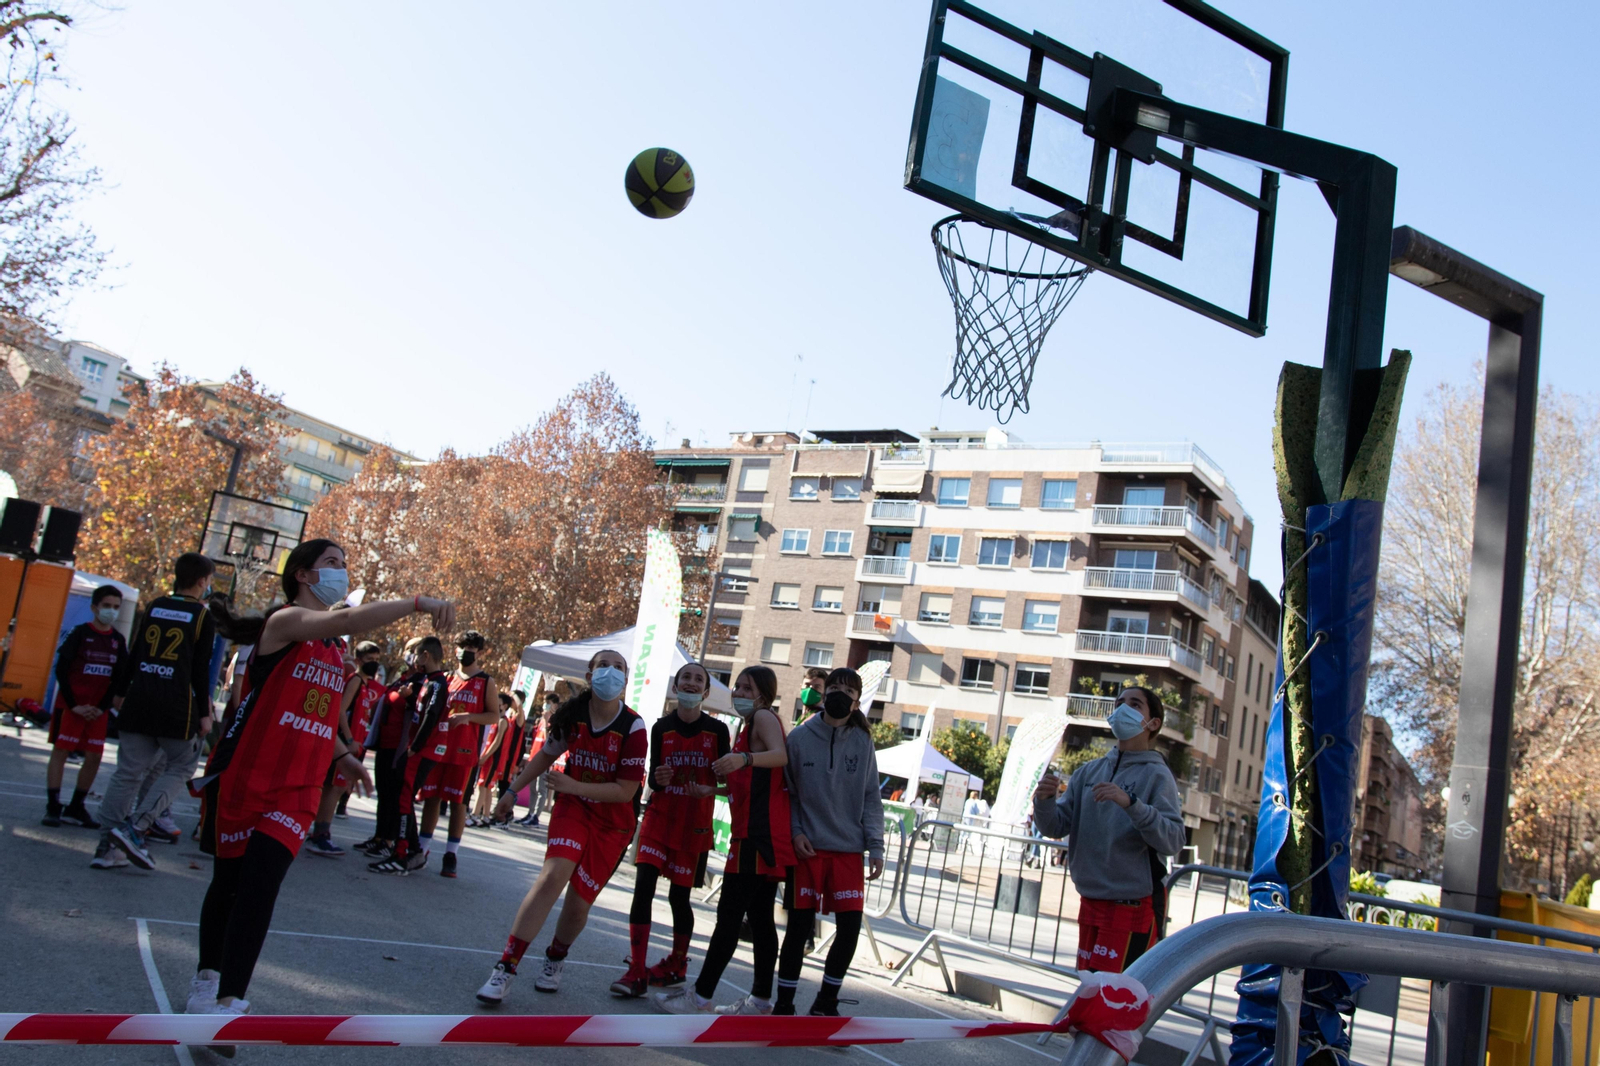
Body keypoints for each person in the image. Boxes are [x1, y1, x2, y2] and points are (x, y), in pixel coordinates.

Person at [186, 538, 453, 1019]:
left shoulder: (335, 652)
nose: (342, 572)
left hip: (298, 789)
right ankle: (207, 978)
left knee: (261, 886)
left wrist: (343, 757)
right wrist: (419, 603)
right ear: (304, 576)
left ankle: (228, 1002)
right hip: (249, 775)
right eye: (332, 564)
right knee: (229, 884)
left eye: (345, 565)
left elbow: (323, 716)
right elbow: (348, 617)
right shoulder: (285, 623)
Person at [475, 649, 645, 1004]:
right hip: (574, 809)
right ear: (589, 673)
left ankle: (555, 956)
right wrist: (511, 790)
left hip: (613, 822)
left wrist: (572, 786)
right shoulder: (573, 716)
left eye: (618, 667)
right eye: (603, 665)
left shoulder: (634, 726)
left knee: (578, 905)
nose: (610, 672)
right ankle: (506, 966)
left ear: (626, 680)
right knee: (553, 876)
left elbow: (626, 791)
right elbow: (545, 756)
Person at [656, 665, 791, 1016]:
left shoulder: (763, 718)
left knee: (729, 914)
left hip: (757, 834)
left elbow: (780, 756)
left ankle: (700, 996)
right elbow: (750, 781)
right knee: (760, 917)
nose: (739, 694)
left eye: (747, 688)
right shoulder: (746, 727)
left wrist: (742, 758)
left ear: (763, 693)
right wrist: (712, 789)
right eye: (737, 687)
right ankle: (761, 999)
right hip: (750, 831)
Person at [1032, 685, 1185, 974]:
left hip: (1132, 907)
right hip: (1090, 902)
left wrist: (1132, 804)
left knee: (1111, 1002)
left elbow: (1173, 839)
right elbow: (1055, 826)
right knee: (1089, 992)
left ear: (1153, 724)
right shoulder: (1087, 772)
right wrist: (1044, 801)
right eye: (1119, 702)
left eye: (1135, 704)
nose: (1122, 709)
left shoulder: (1157, 775)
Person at [611, 663, 730, 998]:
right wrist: (658, 779)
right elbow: (653, 779)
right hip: (660, 818)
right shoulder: (661, 727)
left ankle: (678, 963)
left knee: (680, 897)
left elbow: (729, 783)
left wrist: (712, 790)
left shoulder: (718, 732)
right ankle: (636, 968)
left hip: (694, 824)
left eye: (698, 680)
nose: (691, 683)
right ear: (676, 687)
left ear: (706, 692)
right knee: (643, 887)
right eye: (685, 678)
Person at [95, 553, 218, 871]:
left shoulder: (154, 606)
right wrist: (205, 712)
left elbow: (136, 651)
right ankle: (135, 828)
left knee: (127, 772)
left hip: (140, 697)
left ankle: (106, 846)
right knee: (181, 766)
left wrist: (120, 692)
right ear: (203, 581)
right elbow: (199, 669)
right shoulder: (203, 616)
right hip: (175, 706)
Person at [773, 667, 883, 1017]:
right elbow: (786, 794)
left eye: (847, 690)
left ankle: (826, 1003)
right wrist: (795, 832)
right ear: (823, 692)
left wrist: (876, 845)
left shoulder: (864, 741)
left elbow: (871, 797)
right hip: (808, 849)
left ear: (857, 701)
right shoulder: (800, 737)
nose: (838, 693)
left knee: (849, 929)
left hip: (849, 851)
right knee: (798, 929)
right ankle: (784, 1005)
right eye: (833, 686)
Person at [43, 585, 129, 829]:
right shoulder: (80, 633)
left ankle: (76, 807)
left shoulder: (117, 640)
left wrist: (102, 708)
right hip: (71, 707)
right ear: (94, 608)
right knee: (60, 751)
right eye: (106, 606)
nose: (111, 611)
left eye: (115, 607)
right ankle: (52, 806)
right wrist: (75, 705)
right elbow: (61, 670)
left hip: (97, 712)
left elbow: (119, 678)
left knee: (94, 757)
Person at [417, 631, 500, 877]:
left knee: (458, 803)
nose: (466, 651)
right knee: (431, 798)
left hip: (464, 753)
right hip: (438, 748)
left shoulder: (486, 681)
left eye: (472, 648)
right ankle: (422, 848)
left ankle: (451, 853)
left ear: (480, 653)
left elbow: (494, 715)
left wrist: (469, 717)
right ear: (455, 649)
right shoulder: (445, 678)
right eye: (463, 646)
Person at [370, 637, 451, 874]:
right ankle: (413, 850)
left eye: (415, 654)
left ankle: (402, 853)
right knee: (399, 795)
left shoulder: (437, 683)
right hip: (416, 748)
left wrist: (415, 746)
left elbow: (431, 715)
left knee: (404, 798)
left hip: (423, 750)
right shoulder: (427, 681)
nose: (413, 659)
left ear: (426, 655)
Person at [303, 641, 383, 857]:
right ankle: (320, 834)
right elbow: (338, 709)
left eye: (376, 660)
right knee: (335, 787)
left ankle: (318, 831)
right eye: (369, 660)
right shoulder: (355, 680)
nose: (374, 665)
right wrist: (347, 739)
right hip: (344, 743)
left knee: (335, 787)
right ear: (358, 661)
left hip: (354, 744)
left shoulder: (366, 685)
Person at [355, 637, 423, 858]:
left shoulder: (421, 682)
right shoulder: (401, 679)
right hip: (385, 743)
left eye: (415, 650)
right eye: (408, 650)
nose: (410, 654)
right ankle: (379, 836)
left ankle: (389, 840)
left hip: (401, 747)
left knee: (394, 795)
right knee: (383, 792)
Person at [515, 691, 560, 826]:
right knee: (532, 788)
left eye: (549, 703)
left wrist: (547, 722)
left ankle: (536, 815)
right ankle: (530, 812)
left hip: (544, 760)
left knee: (541, 789)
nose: (545, 706)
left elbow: (549, 741)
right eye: (545, 703)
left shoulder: (553, 721)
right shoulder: (539, 721)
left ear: (555, 705)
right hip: (534, 757)